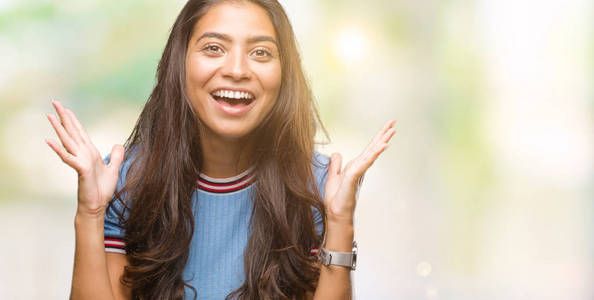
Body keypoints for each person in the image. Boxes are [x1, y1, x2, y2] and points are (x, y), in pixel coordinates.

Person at [45, 0, 396, 299]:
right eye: (214, 48)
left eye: (261, 52)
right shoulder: (125, 179)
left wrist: (339, 223)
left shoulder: (317, 185)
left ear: (285, 74)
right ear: (180, 63)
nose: (237, 70)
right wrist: (90, 213)